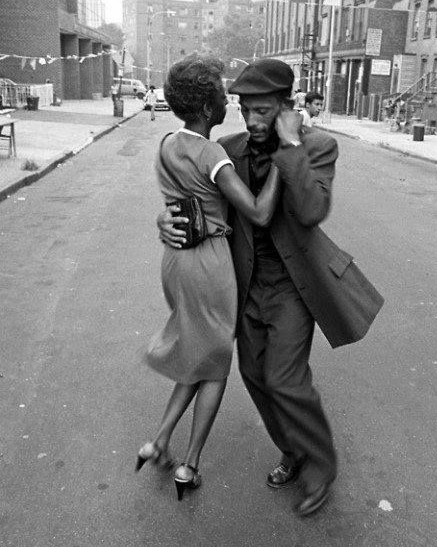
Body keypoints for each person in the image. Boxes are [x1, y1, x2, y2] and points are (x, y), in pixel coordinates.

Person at [158, 58, 384, 517]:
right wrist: (165, 221)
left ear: (286, 106)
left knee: (285, 377)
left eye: (263, 111)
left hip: (292, 287)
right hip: (240, 284)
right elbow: (197, 204)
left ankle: (321, 467)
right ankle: (292, 449)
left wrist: (291, 144)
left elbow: (311, 209)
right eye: (245, 110)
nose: (253, 120)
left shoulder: (318, 146)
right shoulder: (226, 147)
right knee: (255, 377)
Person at [136, 54, 282, 502]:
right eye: (221, 94)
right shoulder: (212, 152)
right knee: (216, 363)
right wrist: (283, 161)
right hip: (210, 263)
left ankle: (158, 441)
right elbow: (257, 213)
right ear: (205, 108)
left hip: (175, 261)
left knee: (199, 351)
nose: (227, 100)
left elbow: (177, 200)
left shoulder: (166, 144)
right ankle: (190, 462)